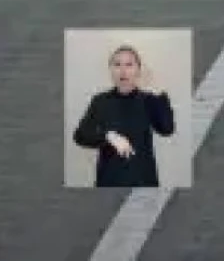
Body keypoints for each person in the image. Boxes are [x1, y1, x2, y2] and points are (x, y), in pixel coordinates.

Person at [72, 45, 175, 188]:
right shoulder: (100, 101)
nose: (123, 71)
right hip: (108, 183)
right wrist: (108, 136)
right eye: (117, 65)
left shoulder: (149, 99)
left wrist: (159, 93)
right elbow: (80, 136)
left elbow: (167, 129)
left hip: (144, 182)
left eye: (129, 65)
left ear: (138, 70)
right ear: (111, 70)